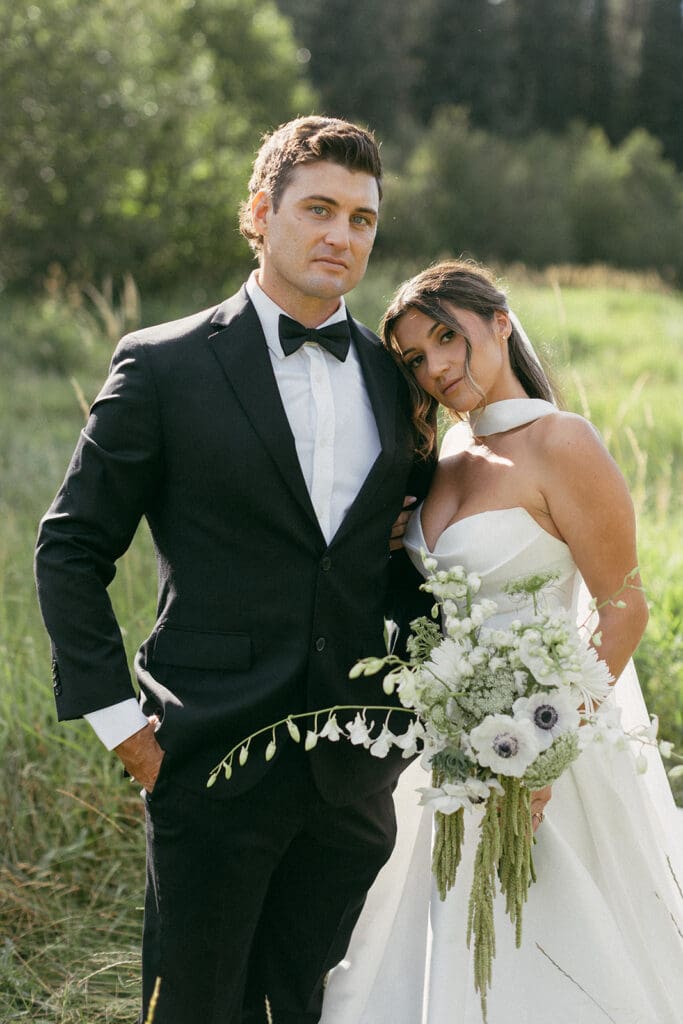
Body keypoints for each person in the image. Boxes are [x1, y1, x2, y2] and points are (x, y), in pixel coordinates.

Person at [34, 116, 433, 1024]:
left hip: (355, 775)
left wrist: (411, 714)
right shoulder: (164, 364)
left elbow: (408, 560)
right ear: (261, 212)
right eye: (320, 209)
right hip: (205, 753)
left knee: (316, 1006)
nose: (342, 236)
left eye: (363, 219)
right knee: (196, 1007)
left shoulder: (398, 377)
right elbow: (71, 546)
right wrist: (118, 722)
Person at [319, 259, 683, 1024]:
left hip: (551, 747)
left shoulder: (562, 442)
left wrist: (548, 750)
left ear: (500, 323)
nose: (437, 366)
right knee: (443, 936)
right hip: (450, 747)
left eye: (448, 337)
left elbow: (623, 611)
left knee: (547, 942)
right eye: (416, 358)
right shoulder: (440, 459)